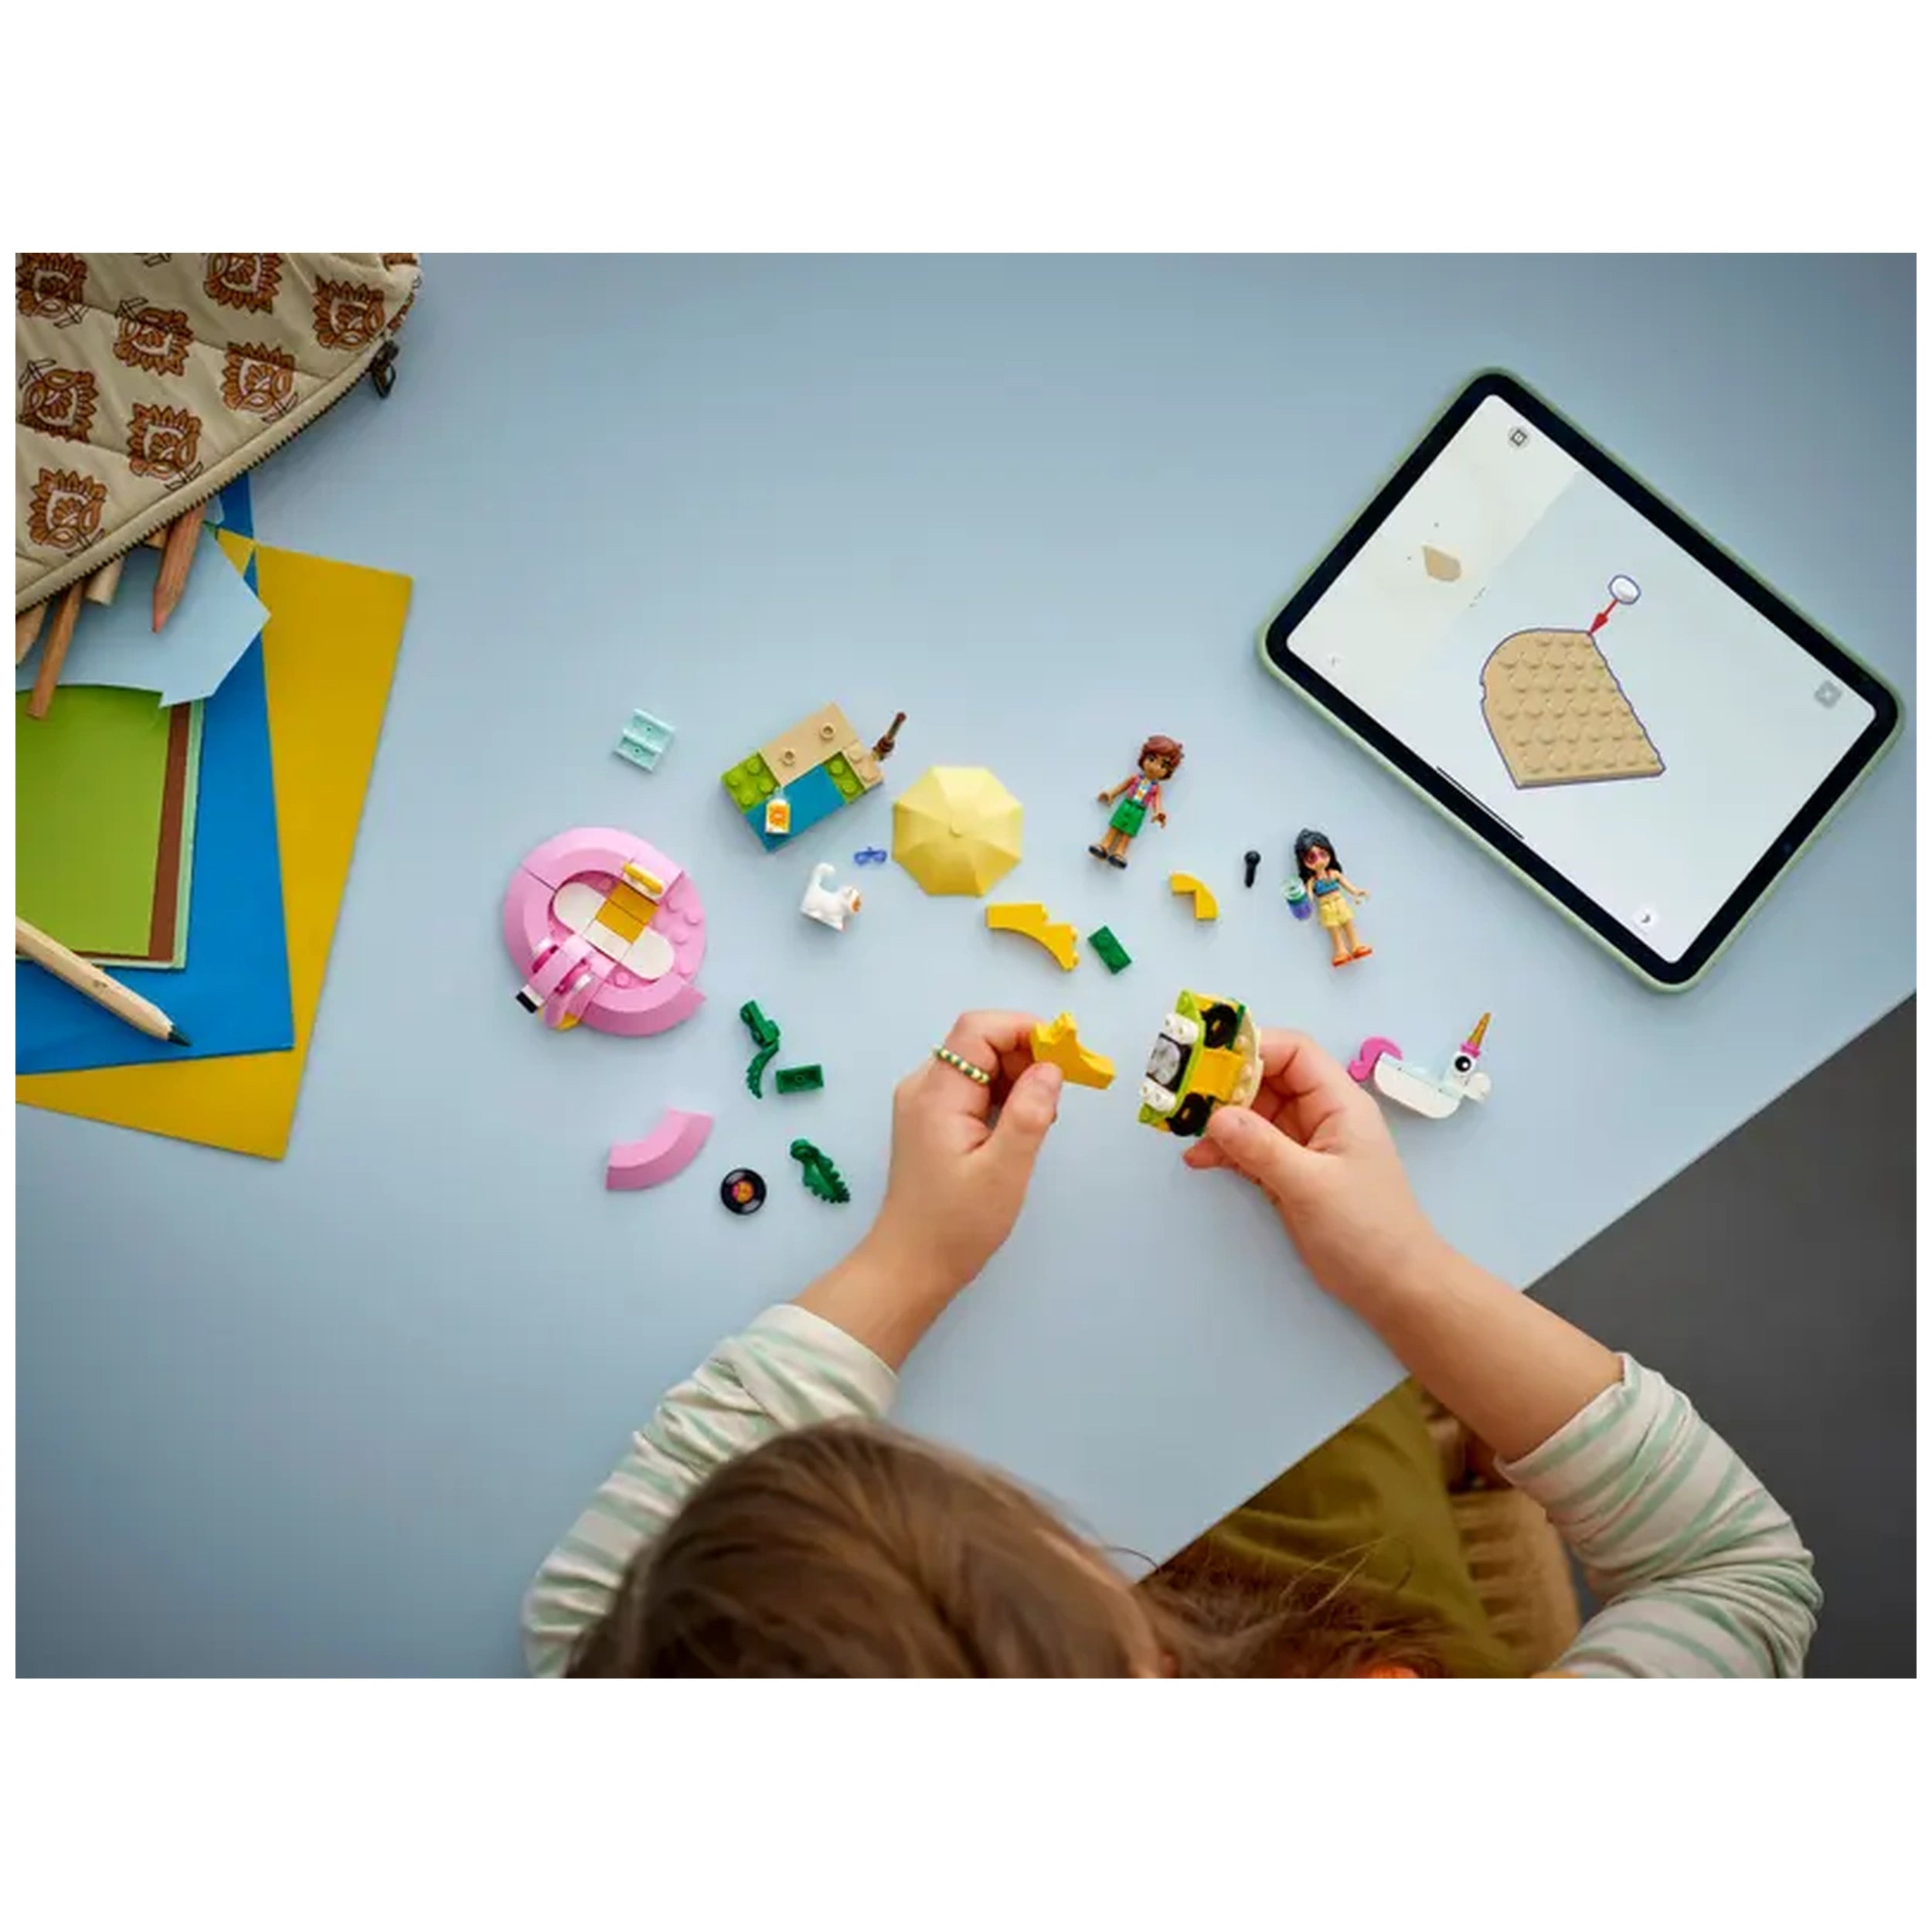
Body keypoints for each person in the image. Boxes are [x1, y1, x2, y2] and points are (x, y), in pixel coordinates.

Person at [523, 1012, 1820, 1677]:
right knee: (1368, 1419)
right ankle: (1464, 1459)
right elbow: (1738, 1573)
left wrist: (915, 1256)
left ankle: (1457, 1452)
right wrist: (1403, 1270)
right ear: (1145, 1661)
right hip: (1399, 1642)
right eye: (1065, 1544)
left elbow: (597, 1621)